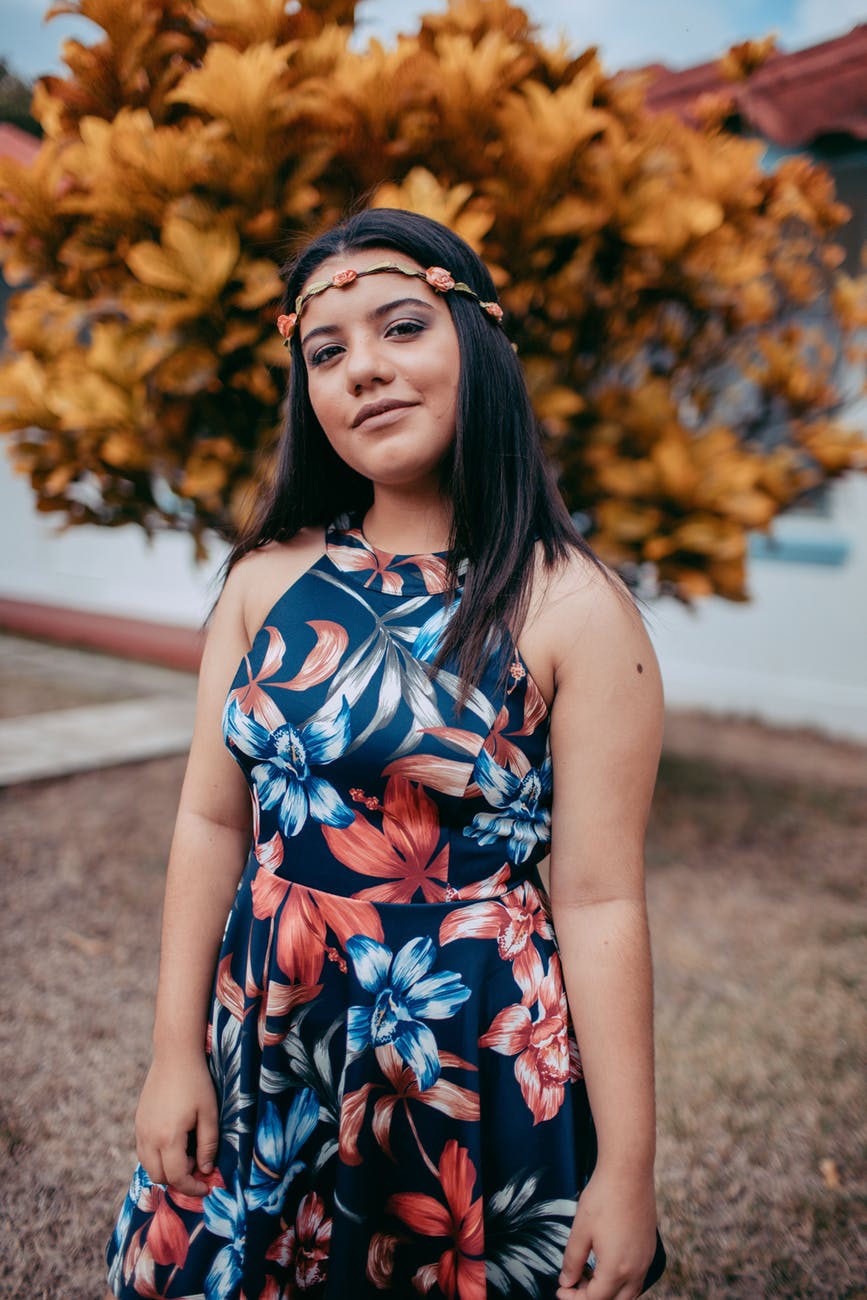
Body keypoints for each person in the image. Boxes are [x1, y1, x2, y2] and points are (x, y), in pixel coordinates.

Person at [105, 208, 666, 1300]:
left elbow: (599, 900)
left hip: (464, 1055)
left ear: (479, 346)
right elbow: (212, 821)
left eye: (402, 326)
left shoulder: (573, 608)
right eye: (328, 350)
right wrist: (176, 1048)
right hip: (270, 1022)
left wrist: (629, 1166)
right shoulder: (267, 580)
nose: (364, 369)